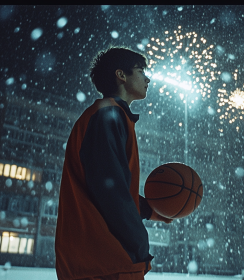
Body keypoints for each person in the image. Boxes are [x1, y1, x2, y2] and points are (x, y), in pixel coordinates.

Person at [55, 46, 172, 280]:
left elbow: (108, 186)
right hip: (106, 261)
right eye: (141, 70)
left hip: (98, 261)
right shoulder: (107, 115)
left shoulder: (109, 115)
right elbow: (109, 189)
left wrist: (149, 209)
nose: (147, 78)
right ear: (121, 75)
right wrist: (138, 245)